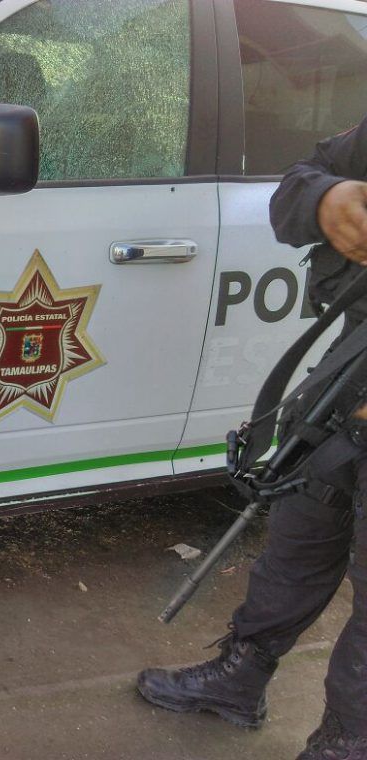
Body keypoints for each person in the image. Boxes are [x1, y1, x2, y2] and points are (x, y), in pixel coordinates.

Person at [136, 119, 367, 759]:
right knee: (297, 541)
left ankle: (347, 741)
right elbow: (297, 184)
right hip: (347, 381)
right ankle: (242, 677)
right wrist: (327, 199)